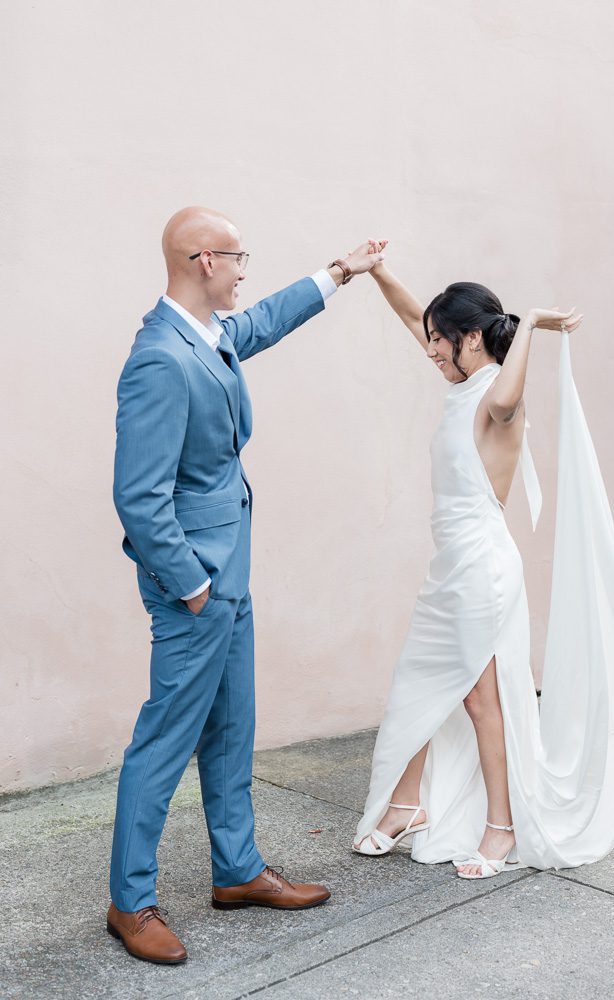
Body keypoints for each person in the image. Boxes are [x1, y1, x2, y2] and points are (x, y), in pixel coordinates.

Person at [107, 206, 384, 964]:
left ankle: (236, 872)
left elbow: (260, 321)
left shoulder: (209, 335)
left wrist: (338, 272)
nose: (241, 272)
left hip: (230, 574)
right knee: (164, 739)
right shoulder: (160, 357)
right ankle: (129, 901)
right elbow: (138, 494)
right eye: (236, 259)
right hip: (196, 584)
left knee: (232, 729)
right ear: (202, 260)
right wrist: (192, 584)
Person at [353, 249, 614, 879]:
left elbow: (504, 398)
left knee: (477, 698)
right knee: (424, 680)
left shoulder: (499, 397)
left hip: (482, 567)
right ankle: (409, 804)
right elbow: (417, 316)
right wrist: (376, 272)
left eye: (443, 340)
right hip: (453, 567)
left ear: (474, 338)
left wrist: (529, 327)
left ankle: (502, 823)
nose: (431, 349)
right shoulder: (462, 380)